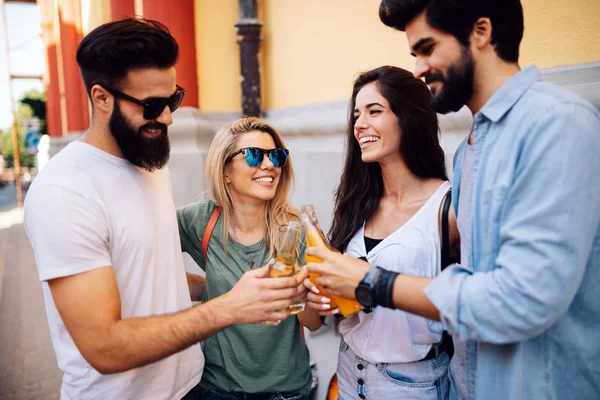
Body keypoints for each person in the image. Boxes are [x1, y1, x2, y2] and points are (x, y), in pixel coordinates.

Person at [306, 1, 600, 399]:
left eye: (427, 49)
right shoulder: (470, 151)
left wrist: (370, 282)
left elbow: (522, 299)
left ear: (481, 32)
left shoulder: (557, 124)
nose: (418, 69)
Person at [23, 19, 299, 400]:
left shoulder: (148, 159)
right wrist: (229, 307)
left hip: (190, 386)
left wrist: (224, 286)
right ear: (101, 98)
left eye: (173, 100)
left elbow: (147, 269)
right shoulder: (64, 192)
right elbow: (104, 346)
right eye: (153, 105)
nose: (168, 117)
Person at [304, 66, 458, 399]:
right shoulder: (357, 201)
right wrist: (326, 295)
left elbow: (468, 302)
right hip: (347, 373)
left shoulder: (448, 207)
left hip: (411, 384)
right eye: (357, 114)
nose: (359, 124)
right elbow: (343, 302)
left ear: (409, 118)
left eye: (375, 111)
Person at [177, 117, 322, 400]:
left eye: (276, 156)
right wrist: (203, 287)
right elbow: (145, 256)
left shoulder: (298, 229)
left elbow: (314, 323)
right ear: (225, 171)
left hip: (286, 392)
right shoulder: (201, 221)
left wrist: (300, 294)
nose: (269, 165)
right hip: (216, 390)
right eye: (255, 155)